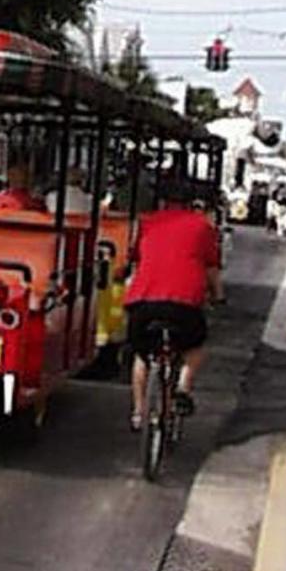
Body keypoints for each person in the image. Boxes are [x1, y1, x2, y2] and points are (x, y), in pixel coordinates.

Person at [125, 176, 222, 430]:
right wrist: (218, 296)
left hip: (143, 301)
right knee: (195, 344)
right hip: (185, 303)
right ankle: (183, 386)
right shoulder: (202, 227)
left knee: (142, 355)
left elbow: (134, 259)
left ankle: (138, 411)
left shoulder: (146, 223)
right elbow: (212, 269)